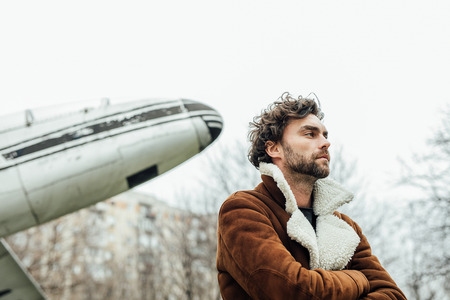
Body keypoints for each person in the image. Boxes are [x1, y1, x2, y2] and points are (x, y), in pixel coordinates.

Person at [216, 93, 406, 299]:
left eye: (325, 135)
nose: (325, 143)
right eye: (310, 134)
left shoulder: (344, 226)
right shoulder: (244, 210)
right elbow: (292, 291)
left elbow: (393, 294)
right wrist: (358, 279)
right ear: (274, 148)